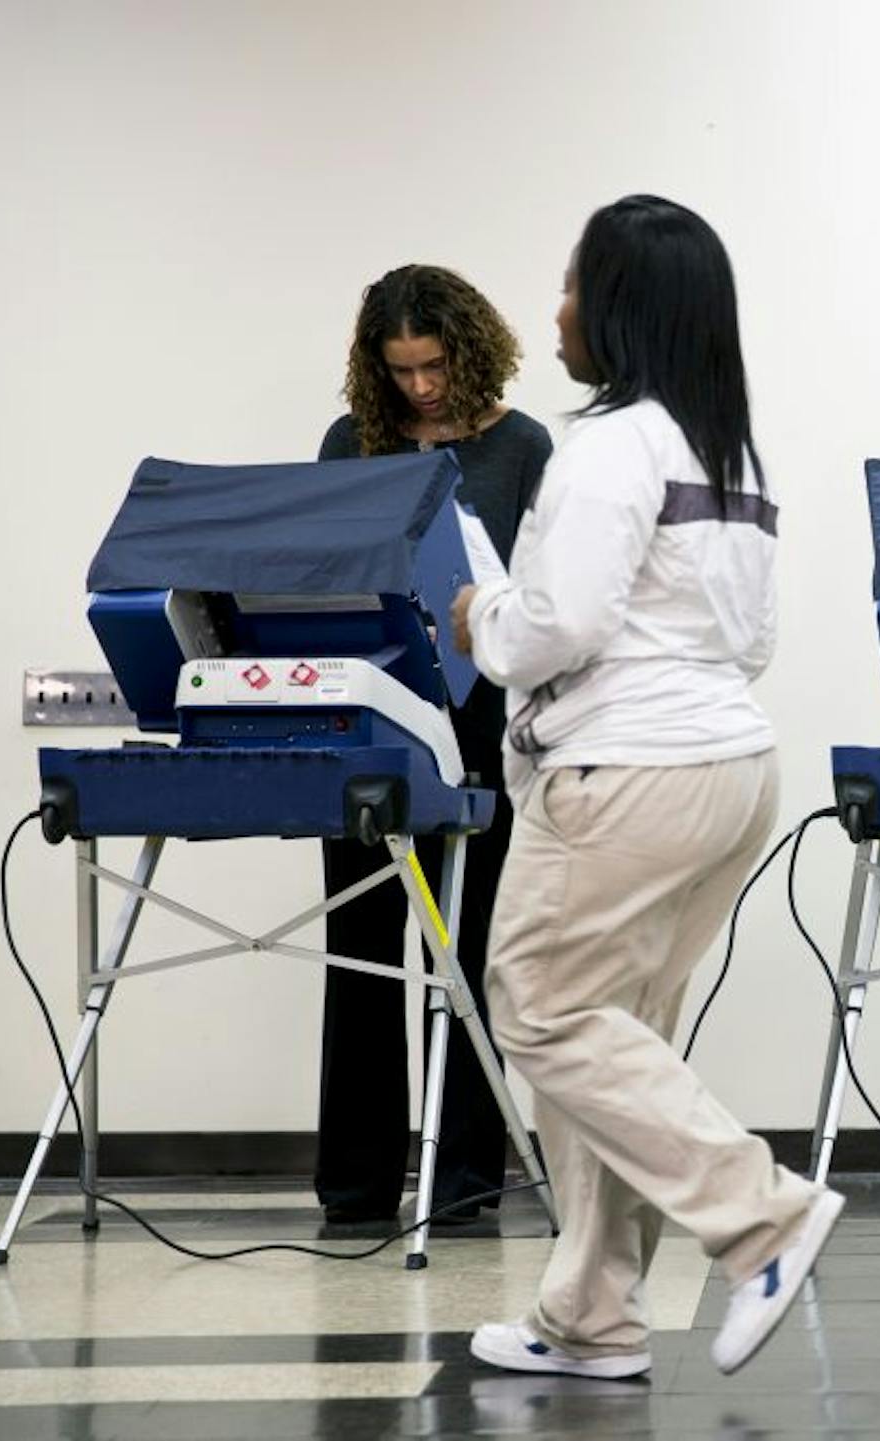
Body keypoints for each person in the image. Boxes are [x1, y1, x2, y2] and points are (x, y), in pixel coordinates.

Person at [454, 195, 841, 1380]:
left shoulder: (609, 446)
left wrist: (480, 615)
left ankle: (761, 1214)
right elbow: (751, 638)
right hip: (728, 767)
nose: (557, 311)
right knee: (614, 1042)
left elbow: (555, 627)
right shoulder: (726, 450)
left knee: (540, 1009)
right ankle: (593, 1313)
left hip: (626, 773)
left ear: (617, 306)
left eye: (572, 287)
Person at [313, 264, 551, 1227]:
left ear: (471, 348)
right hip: (369, 723)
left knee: (468, 957)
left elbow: (538, 596)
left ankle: (462, 1188)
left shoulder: (524, 446)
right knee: (361, 954)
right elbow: (319, 576)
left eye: (436, 364)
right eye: (401, 368)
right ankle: (358, 1186)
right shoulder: (349, 443)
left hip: (479, 731)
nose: (420, 386)